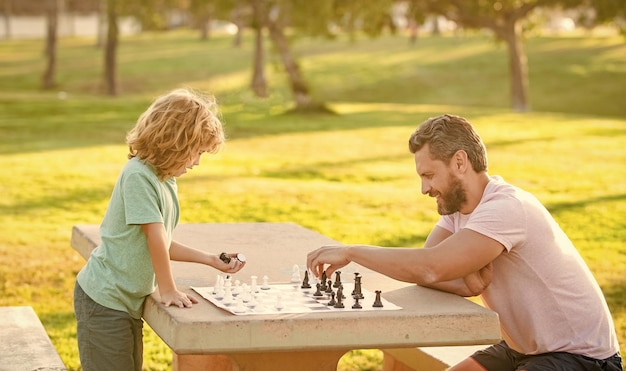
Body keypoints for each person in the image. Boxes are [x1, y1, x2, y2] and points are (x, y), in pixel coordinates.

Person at [307, 114, 621, 371]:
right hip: (522, 349)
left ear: (460, 162)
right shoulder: (459, 212)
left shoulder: (505, 207)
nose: (424, 188)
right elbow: (428, 268)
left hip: (583, 359)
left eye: (429, 175)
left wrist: (352, 252)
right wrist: (463, 285)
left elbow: (429, 269)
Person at [74, 88, 246, 371]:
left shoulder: (164, 179)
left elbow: (161, 239)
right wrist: (168, 289)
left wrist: (210, 259)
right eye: (197, 152)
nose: (198, 162)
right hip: (104, 300)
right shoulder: (138, 177)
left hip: (125, 301)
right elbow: (154, 238)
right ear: (175, 143)